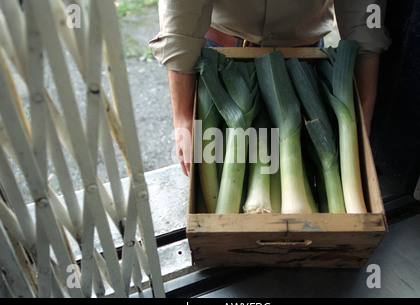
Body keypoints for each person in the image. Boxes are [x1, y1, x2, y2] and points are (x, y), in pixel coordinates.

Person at [149, 0, 391, 177]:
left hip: (304, 64)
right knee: (212, 163)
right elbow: (180, 9)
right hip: (222, 59)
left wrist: (361, 109)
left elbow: (366, 11)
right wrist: (183, 118)